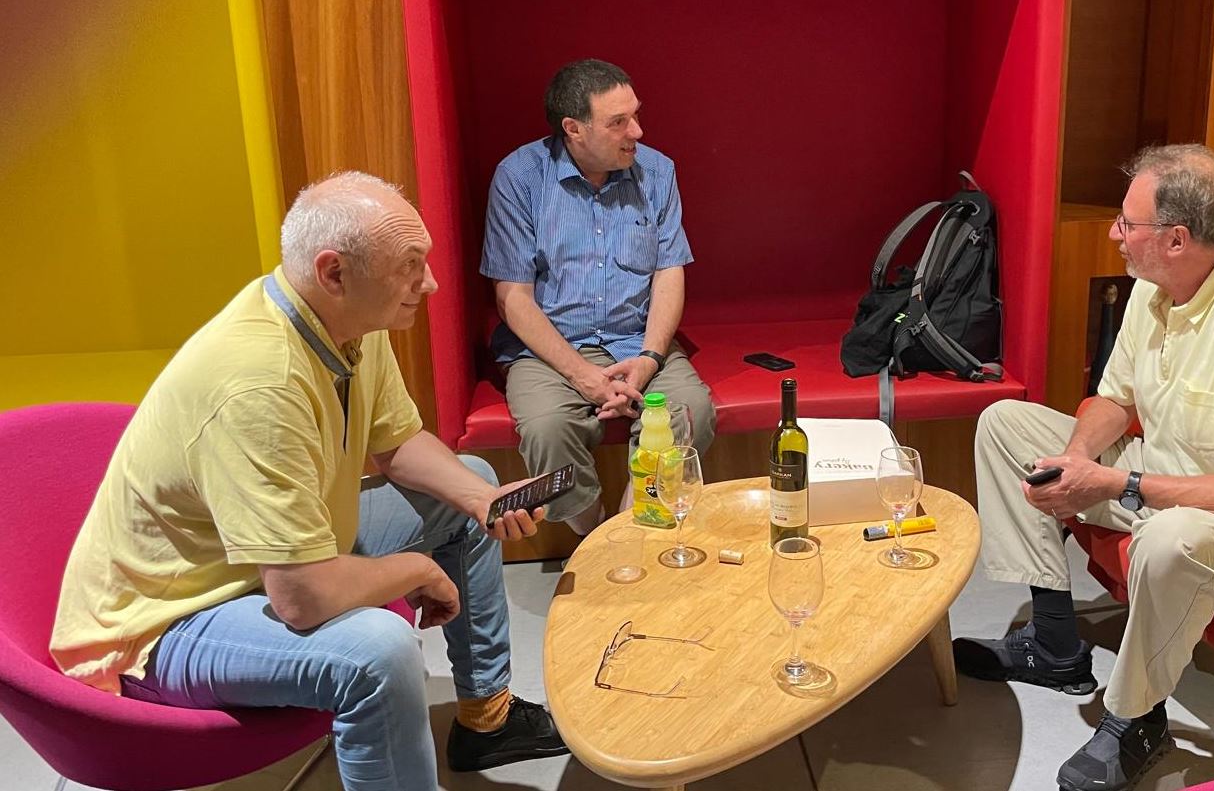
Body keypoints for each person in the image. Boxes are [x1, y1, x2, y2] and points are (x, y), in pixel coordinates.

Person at [51, 172, 567, 790]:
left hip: (267, 560)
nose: (429, 283)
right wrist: (418, 571)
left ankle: (489, 719)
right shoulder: (259, 381)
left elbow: (397, 444)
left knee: (469, 482)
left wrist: (483, 499)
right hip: (172, 620)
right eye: (409, 266)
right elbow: (303, 597)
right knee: (378, 651)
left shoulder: (346, 324)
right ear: (334, 273)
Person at [955, 144, 1214, 791]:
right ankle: (1053, 646)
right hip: (1160, 471)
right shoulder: (1155, 288)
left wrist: (1121, 483)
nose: (1116, 233)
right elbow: (1115, 400)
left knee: (1169, 537)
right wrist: (1076, 459)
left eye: (1126, 222)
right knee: (1005, 424)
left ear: (1176, 239)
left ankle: (1135, 718)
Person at [482, 58, 716, 532]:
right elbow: (513, 298)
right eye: (618, 122)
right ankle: (593, 534)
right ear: (574, 129)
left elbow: (668, 274)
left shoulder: (657, 172)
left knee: (691, 411)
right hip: (549, 348)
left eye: (636, 114)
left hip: (638, 339)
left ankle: (633, 529)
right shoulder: (520, 177)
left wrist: (649, 359)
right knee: (548, 429)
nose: (638, 131)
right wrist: (583, 374)